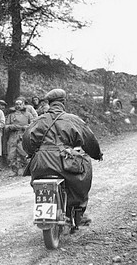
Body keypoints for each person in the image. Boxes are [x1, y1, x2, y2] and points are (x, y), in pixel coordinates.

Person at [22, 89, 103, 225]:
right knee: (82, 177)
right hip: (65, 162)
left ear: (49, 103)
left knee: (39, 184)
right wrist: (96, 154)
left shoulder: (39, 120)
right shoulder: (73, 119)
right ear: (63, 102)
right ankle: (78, 211)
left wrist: (32, 153)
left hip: (41, 163)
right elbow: (89, 139)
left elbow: (26, 139)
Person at [4, 97, 33, 177]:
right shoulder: (10, 115)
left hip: (23, 135)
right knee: (11, 153)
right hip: (13, 135)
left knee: (24, 153)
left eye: (20, 104)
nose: (18, 106)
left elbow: (33, 125)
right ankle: (13, 170)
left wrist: (25, 127)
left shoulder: (28, 115)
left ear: (23, 105)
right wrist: (12, 127)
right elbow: (5, 126)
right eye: (17, 104)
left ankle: (24, 170)